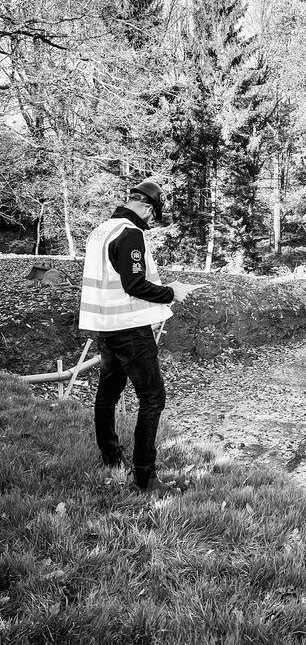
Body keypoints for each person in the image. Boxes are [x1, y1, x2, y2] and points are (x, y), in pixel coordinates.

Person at [79, 180, 193, 496]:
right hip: (129, 328)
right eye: (152, 215)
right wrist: (173, 292)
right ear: (145, 205)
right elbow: (134, 284)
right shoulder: (130, 233)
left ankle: (111, 456)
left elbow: (116, 278)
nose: (150, 222)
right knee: (153, 396)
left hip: (106, 325)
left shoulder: (101, 230)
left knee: (109, 392)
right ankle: (145, 478)